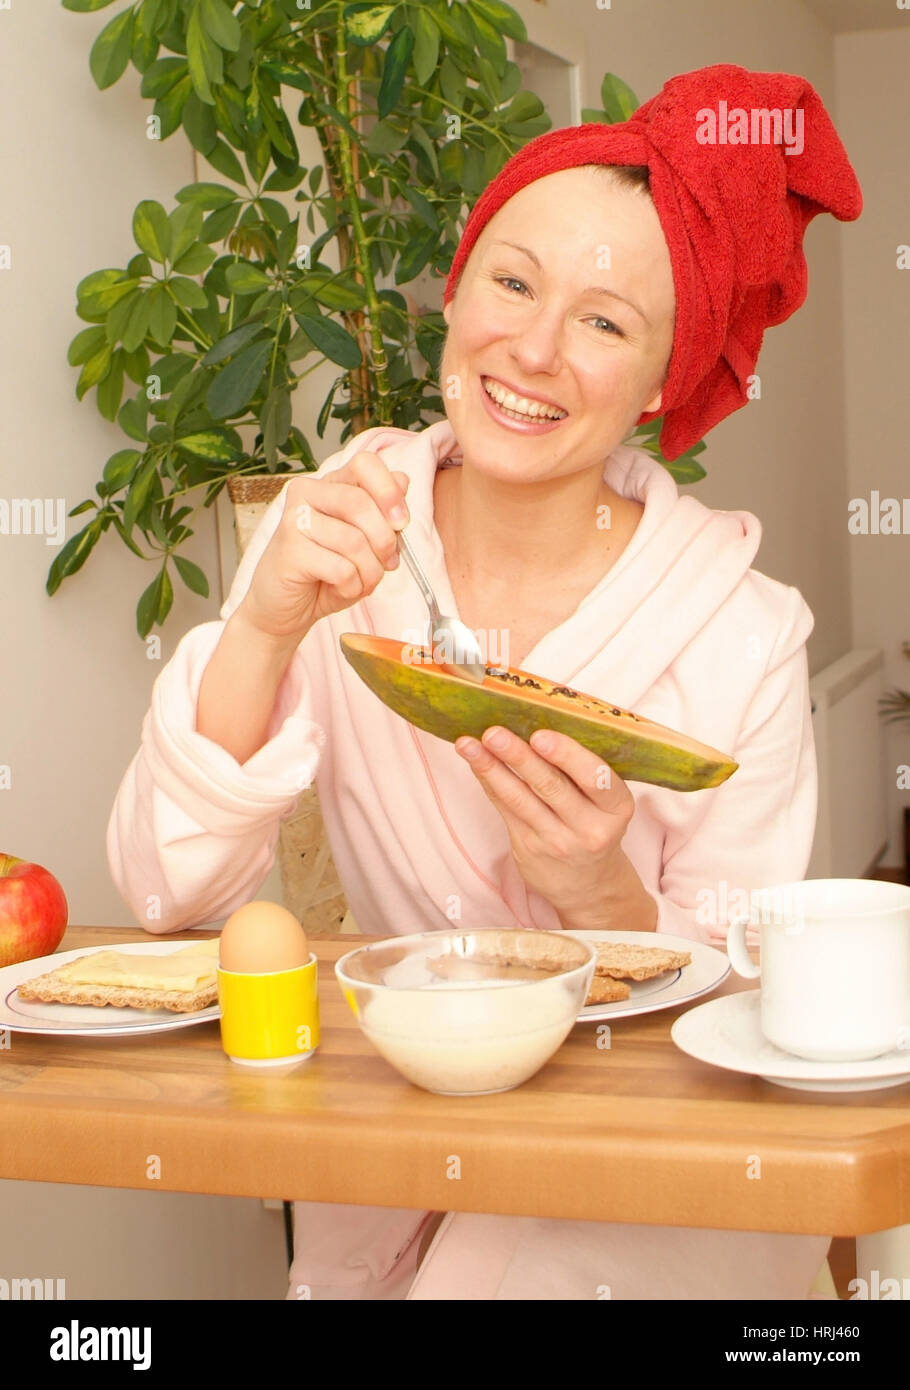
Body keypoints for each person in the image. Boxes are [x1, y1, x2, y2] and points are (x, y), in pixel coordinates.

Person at [107, 64, 861, 1299]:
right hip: (407, 1151)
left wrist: (600, 891)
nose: (534, 348)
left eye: (606, 322)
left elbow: (754, 1023)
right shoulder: (340, 528)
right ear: (455, 293)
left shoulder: (747, 633)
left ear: (667, 381)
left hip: (652, 1185)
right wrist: (263, 621)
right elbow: (161, 890)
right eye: (512, 282)